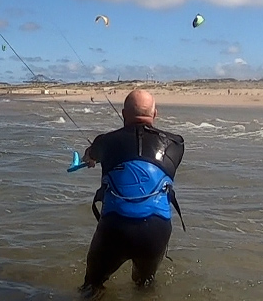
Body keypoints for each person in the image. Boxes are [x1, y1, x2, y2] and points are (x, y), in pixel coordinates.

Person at [79, 89, 185, 296]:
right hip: (155, 230)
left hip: (114, 228)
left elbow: (88, 156)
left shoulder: (105, 141)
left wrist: (90, 159)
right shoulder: (176, 144)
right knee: (144, 285)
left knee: (92, 285)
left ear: (123, 114)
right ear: (155, 114)